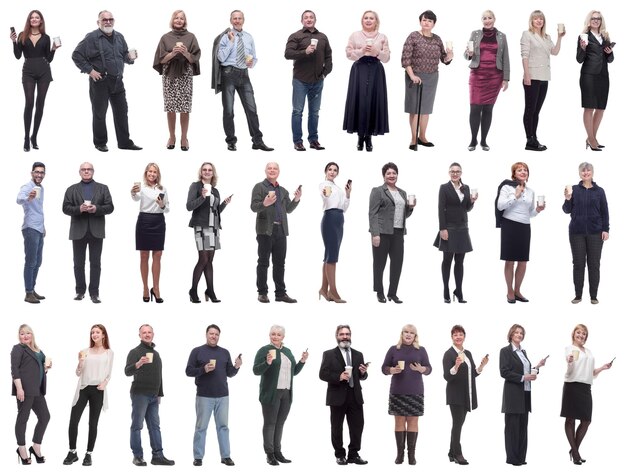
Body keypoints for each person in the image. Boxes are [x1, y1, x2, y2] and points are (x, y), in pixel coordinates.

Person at [71, 10, 142, 152]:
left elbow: (124, 56)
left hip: (118, 81)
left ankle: (124, 142)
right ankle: (100, 142)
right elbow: (76, 55)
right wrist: (90, 71)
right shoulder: (91, 37)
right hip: (100, 81)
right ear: (98, 22)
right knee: (99, 113)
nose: (108, 22)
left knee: (122, 112)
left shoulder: (120, 37)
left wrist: (130, 58)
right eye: (104, 20)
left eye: (111, 19)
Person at [214, 10, 273, 152]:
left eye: (239, 18)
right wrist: (231, 42)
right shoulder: (225, 37)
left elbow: (253, 56)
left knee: (252, 109)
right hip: (229, 74)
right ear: (231, 20)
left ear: (243, 20)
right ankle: (231, 141)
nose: (237, 20)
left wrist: (251, 62)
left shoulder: (248, 37)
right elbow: (221, 57)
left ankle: (257, 141)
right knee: (228, 111)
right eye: (234, 18)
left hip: (244, 74)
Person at [185, 324, 241, 467]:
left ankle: (226, 456)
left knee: (223, 427)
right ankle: (198, 457)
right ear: (206, 334)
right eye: (211, 333)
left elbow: (230, 373)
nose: (213, 336)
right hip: (204, 395)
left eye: (216, 334)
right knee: (201, 427)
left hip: (223, 396)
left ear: (219, 336)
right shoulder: (197, 351)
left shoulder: (224, 352)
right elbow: (188, 371)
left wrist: (236, 366)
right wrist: (203, 369)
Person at [253, 325, 308, 466]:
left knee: (280, 423)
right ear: (269, 335)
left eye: (278, 334)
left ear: (283, 337)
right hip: (271, 393)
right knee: (270, 423)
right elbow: (256, 371)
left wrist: (302, 361)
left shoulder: (287, 351)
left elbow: (294, 371)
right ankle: (270, 454)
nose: (275, 336)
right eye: (273, 334)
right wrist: (267, 362)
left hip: (286, 393)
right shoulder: (264, 350)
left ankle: (278, 452)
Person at [62, 162, 114, 304]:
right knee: (78, 263)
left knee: (95, 263)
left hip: (96, 230)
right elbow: (65, 208)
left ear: (93, 171)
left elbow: (110, 207)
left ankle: (94, 293)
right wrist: (79, 209)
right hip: (78, 230)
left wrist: (96, 208)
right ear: (79, 172)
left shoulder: (103, 188)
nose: (86, 171)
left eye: (89, 169)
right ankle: (80, 291)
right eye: (83, 170)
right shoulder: (71, 189)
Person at [561, 324, 612, 464]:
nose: (581, 335)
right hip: (572, 386)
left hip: (585, 388)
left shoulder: (589, 352)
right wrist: (570, 361)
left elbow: (590, 373)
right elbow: (570, 365)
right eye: (578, 332)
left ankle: (574, 450)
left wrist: (602, 368)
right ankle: (576, 454)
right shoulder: (569, 349)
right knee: (570, 420)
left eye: (584, 333)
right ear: (574, 334)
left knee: (586, 421)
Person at [401, 10, 453, 149]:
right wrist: (412, 75)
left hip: (432, 77)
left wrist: (449, 55)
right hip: (415, 76)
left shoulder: (437, 39)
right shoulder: (413, 36)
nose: (426, 23)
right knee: (415, 108)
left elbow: (444, 59)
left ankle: (422, 137)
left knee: (426, 109)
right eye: (424, 20)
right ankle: (413, 139)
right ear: (420, 21)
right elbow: (406, 58)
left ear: (434, 24)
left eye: (430, 21)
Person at [250, 162, 301, 303]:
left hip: (281, 230)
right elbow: (253, 207)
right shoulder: (259, 187)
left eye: (275, 168)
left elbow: (289, 209)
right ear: (265, 170)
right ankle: (262, 293)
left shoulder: (283, 190)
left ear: (279, 171)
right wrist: (264, 203)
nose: (272, 170)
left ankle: (280, 293)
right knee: (263, 262)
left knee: (280, 263)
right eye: (269, 168)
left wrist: (296, 199)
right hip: (265, 230)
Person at [124, 324, 175, 466]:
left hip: (153, 396)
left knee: (155, 426)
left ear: (153, 334)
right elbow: (127, 372)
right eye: (144, 332)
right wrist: (138, 364)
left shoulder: (156, 354)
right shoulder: (134, 352)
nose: (147, 334)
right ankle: (137, 456)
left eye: (149, 332)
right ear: (139, 335)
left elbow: (159, 375)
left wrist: (160, 394)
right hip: (140, 394)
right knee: (137, 425)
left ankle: (158, 456)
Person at [63, 324, 113, 467]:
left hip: (98, 390)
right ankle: (72, 452)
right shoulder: (85, 351)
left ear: (103, 335)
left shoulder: (109, 353)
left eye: (97, 332)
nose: (94, 335)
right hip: (83, 388)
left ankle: (88, 454)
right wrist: (80, 362)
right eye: (92, 332)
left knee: (93, 423)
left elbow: (109, 374)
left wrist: (105, 383)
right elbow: (78, 373)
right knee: (73, 421)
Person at [382, 324, 431, 465]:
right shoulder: (393, 349)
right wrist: (391, 370)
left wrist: (422, 369)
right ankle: (400, 455)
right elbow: (383, 368)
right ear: (401, 334)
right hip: (397, 390)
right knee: (399, 421)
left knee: (413, 421)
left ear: (415, 336)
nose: (408, 335)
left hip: (415, 390)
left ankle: (411, 455)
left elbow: (429, 369)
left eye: (412, 333)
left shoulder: (421, 350)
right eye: (406, 332)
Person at [496, 162, 544, 304]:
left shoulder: (531, 191)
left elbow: (529, 213)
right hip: (509, 225)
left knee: (523, 261)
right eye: (519, 170)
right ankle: (509, 291)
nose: (523, 172)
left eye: (525, 170)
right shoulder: (506, 187)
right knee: (510, 260)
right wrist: (515, 196)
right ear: (514, 174)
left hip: (525, 226)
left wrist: (538, 210)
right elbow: (500, 206)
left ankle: (517, 290)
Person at [320, 325, 368, 465]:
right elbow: (322, 374)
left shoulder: (358, 354)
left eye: (347, 334)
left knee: (357, 426)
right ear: (337, 336)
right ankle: (340, 455)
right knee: (336, 427)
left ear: (350, 335)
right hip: (337, 396)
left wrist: (363, 372)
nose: (345, 337)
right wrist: (339, 376)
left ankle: (354, 454)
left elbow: (362, 376)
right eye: (342, 334)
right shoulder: (328, 354)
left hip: (355, 396)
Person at [499, 324, 547, 466]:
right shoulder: (505, 351)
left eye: (521, 333)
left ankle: (520, 458)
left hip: (525, 394)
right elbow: (504, 372)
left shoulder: (523, 352)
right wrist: (523, 377)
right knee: (512, 428)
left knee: (522, 428)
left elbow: (527, 371)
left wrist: (537, 367)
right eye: (516, 332)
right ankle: (512, 459)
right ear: (511, 334)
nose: (519, 335)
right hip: (513, 396)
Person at [10, 10, 58, 152]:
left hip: (44, 71)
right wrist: (13, 41)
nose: (34, 19)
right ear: (29, 20)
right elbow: (18, 56)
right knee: (29, 103)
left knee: (40, 104)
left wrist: (54, 49)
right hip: (28, 72)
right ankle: (26, 137)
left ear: (41, 20)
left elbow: (48, 59)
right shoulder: (22, 35)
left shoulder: (46, 37)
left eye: (37, 17)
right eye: (32, 18)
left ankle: (34, 137)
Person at [153, 10, 201, 151]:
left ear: (184, 21)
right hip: (170, 75)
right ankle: (172, 136)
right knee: (171, 108)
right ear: (172, 20)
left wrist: (185, 52)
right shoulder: (165, 37)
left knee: (185, 108)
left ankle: (184, 137)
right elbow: (161, 59)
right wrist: (173, 53)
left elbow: (195, 57)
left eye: (181, 18)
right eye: (176, 18)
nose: (179, 20)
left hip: (185, 74)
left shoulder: (191, 37)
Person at [285, 10, 333, 151]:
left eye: (311, 17)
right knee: (297, 111)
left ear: (315, 20)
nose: (309, 19)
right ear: (302, 21)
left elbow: (329, 57)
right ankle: (298, 141)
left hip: (318, 81)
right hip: (300, 80)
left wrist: (325, 73)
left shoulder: (323, 37)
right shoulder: (296, 36)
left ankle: (313, 140)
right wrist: (304, 52)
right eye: (306, 17)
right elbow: (287, 54)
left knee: (314, 112)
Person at [343, 10, 390, 152]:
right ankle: (360, 136)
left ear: (376, 21)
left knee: (373, 101)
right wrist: (362, 50)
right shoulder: (355, 35)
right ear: (362, 20)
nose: (368, 20)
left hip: (376, 70)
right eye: (366, 18)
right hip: (359, 69)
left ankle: (369, 136)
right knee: (359, 101)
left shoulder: (382, 37)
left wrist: (377, 51)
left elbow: (387, 58)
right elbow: (348, 54)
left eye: (371, 18)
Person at [563, 162, 609, 304]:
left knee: (594, 264)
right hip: (576, 232)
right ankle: (578, 295)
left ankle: (593, 296)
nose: (586, 173)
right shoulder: (574, 189)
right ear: (580, 173)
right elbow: (566, 210)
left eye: (588, 171)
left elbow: (605, 211)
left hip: (596, 232)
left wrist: (606, 229)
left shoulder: (599, 191)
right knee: (578, 264)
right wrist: (568, 198)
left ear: (592, 173)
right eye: (583, 171)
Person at [369, 162, 415, 304]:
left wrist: (411, 208)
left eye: (394, 173)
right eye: (388, 173)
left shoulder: (402, 193)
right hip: (382, 233)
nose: (391, 175)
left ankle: (392, 293)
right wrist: (375, 234)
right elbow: (372, 213)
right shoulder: (377, 191)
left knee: (397, 264)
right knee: (379, 264)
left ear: (397, 175)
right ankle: (380, 292)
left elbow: (403, 215)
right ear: (384, 176)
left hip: (398, 233)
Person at [442, 325, 488, 465]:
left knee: (458, 424)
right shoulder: (448, 354)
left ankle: (451, 452)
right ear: (452, 337)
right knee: (457, 424)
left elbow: (472, 374)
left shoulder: (467, 353)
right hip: (455, 395)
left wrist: (482, 366)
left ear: (464, 336)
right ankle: (458, 454)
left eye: (460, 334)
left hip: (467, 395)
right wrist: (455, 366)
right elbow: (446, 376)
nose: (458, 337)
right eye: (455, 335)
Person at [464, 10, 509, 151]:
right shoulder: (475, 34)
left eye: (490, 18)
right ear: (481, 20)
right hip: (477, 75)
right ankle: (473, 140)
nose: (487, 20)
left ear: (494, 19)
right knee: (475, 108)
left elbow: (506, 58)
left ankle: (483, 141)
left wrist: (506, 78)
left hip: (495, 76)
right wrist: (468, 53)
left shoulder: (502, 36)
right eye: (484, 18)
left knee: (488, 108)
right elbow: (466, 54)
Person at [186, 162, 232, 304]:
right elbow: (189, 206)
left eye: (210, 170)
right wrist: (202, 197)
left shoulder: (215, 190)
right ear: (201, 172)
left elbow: (215, 210)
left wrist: (224, 203)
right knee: (203, 259)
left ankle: (210, 290)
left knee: (210, 260)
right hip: (201, 226)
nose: (207, 172)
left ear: (213, 173)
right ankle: (193, 290)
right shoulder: (196, 186)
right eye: (204, 170)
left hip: (214, 227)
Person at [520, 10, 564, 151]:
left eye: (541, 19)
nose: (539, 21)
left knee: (536, 111)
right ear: (531, 21)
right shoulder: (527, 34)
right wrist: (526, 75)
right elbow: (524, 56)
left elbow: (555, 52)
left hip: (544, 76)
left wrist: (559, 37)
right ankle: (529, 140)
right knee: (530, 109)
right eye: (536, 19)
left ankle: (534, 138)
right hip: (532, 76)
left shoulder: (546, 37)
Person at [434, 163, 476, 303]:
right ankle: (446, 290)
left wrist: (472, 201)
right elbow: (440, 209)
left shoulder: (466, 188)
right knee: (447, 260)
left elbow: (467, 208)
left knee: (460, 261)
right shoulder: (444, 188)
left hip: (463, 228)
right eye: (452, 171)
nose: (455, 173)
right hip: (449, 228)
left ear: (461, 173)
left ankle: (459, 291)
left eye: (457, 171)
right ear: (449, 173)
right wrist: (442, 228)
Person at [11, 324, 51, 465]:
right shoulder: (18, 349)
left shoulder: (37, 349)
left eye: (28, 333)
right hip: (25, 390)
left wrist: (46, 367)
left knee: (45, 416)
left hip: (38, 390)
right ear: (19, 336)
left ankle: (36, 446)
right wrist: (19, 389)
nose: (25, 336)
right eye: (22, 333)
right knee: (23, 419)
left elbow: (41, 366)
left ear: (32, 335)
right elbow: (15, 369)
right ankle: (21, 449)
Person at [131, 163, 169, 303]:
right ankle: (145, 288)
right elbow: (135, 198)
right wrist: (133, 192)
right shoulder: (142, 187)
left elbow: (168, 208)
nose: (152, 174)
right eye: (150, 171)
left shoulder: (162, 188)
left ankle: (156, 288)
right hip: (144, 221)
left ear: (157, 174)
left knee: (158, 256)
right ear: (146, 172)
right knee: (144, 255)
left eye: (155, 172)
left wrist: (162, 205)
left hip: (158, 221)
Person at [576, 11, 614, 151]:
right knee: (589, 107)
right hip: (588, 76)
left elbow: (610, 60)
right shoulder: (583, 37)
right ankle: (592, 140)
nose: (596, 20)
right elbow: (579, 59)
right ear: (589, 20)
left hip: (603, 76)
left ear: (601, 21)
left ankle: (591, 138)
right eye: (593, 18)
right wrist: (582, 48)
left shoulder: (605, 36)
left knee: (601, 108)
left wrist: (609, 53)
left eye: (598, 18)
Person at [319, 162, 351, 303]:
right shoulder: (324, 185)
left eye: (335, 170)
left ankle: (323, 288)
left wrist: (348, 194)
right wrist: (326, 192)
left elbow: (344, 207)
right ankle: (333, 291)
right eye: (330, 169)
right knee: (332, 257)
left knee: (329, 255)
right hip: (330, 219)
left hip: (339, 218)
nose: (332, 172)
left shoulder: (338, 188)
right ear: (325, 171)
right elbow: (326, 196)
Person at [16, 162, 46, 304]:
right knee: (31, 261)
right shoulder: (27, 187)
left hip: (39, 229)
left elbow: (38, 209)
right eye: (37, 172)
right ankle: (28, 293)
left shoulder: (42, 188)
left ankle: (32, 289)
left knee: (38, 261)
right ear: (32, 173)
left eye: (42, 172)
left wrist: (43, 227)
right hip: (30, 228)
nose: (39, 174)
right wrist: (28, 197)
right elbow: (18, 199)